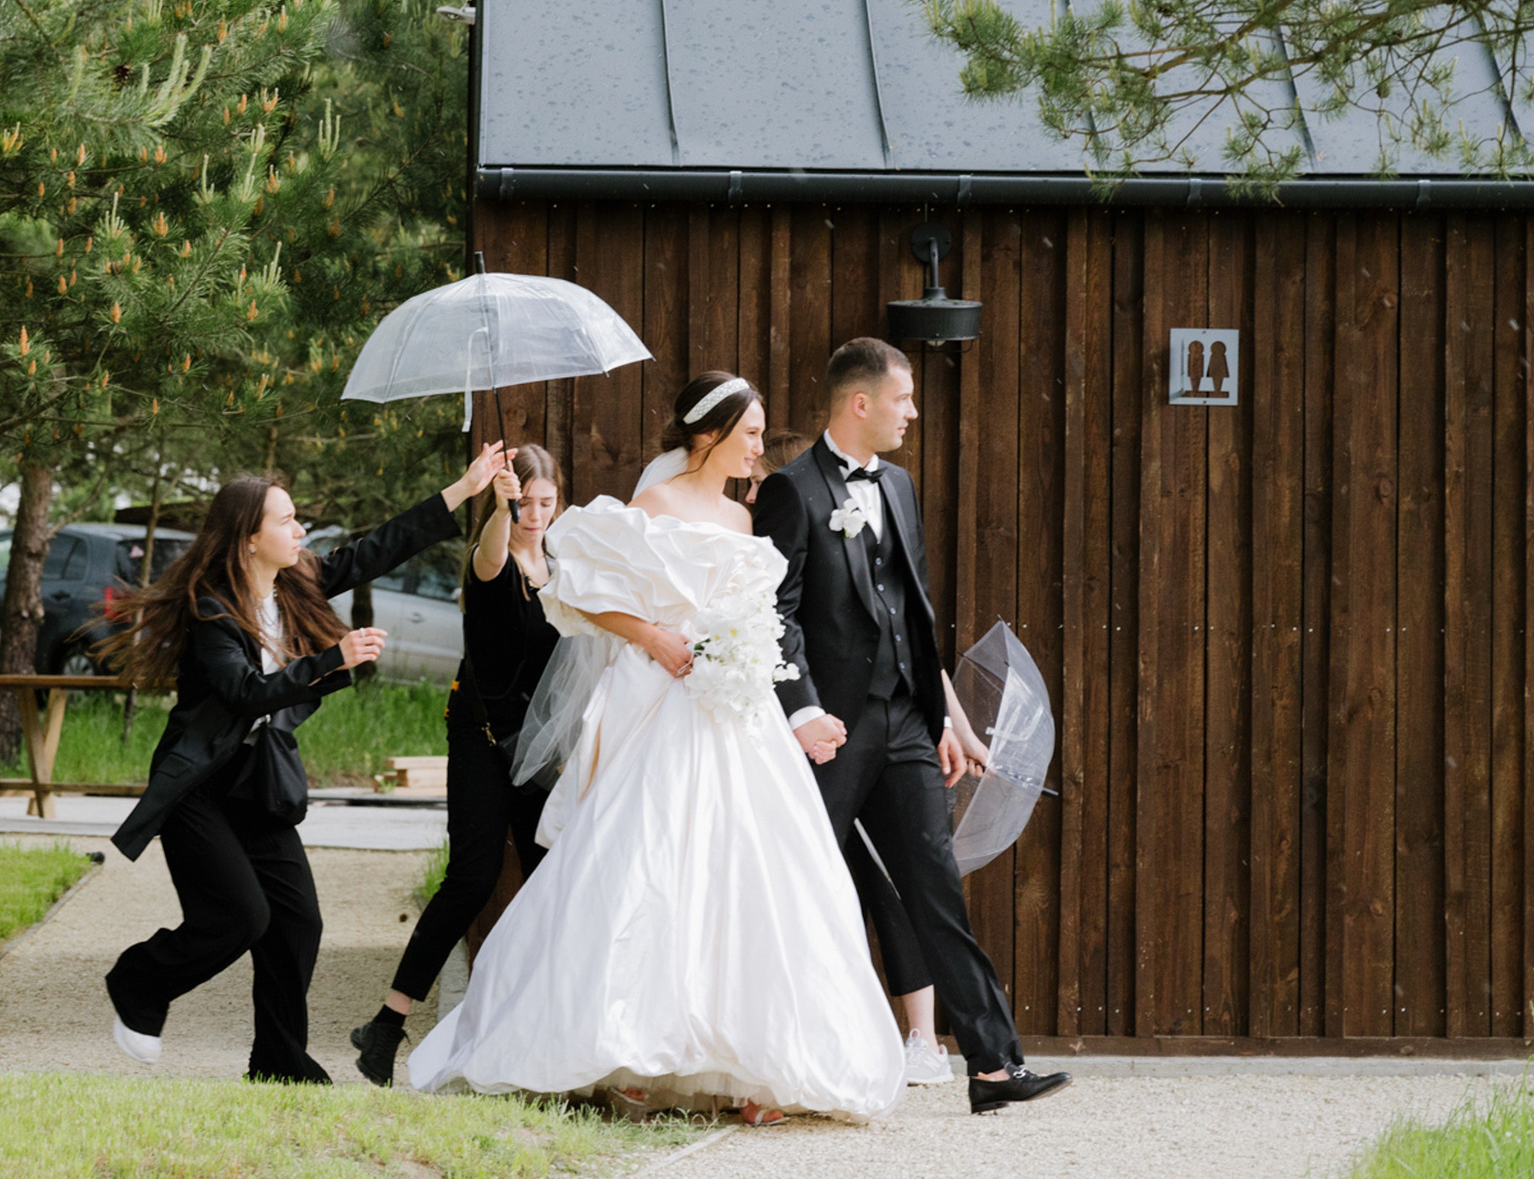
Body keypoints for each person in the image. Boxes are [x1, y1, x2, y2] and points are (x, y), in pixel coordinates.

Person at [408, 373, 905, 1126]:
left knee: (750, 874)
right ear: (707, 434)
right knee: (650, 865)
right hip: (666, 707)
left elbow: (760, 624)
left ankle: (757, 1065)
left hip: (735, 718)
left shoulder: (743, 522)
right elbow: (579, 594)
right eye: (748, 433)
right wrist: (654, 636)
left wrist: (778, 694)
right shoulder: (651, 508)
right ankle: (629, 1050)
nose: (757, 447)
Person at [101, 443, 511, 1082]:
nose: (300, 531)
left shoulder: (291, 582)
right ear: (247, 539)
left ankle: (278, 1062)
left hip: (258, 784)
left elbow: (371, 551)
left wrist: (462, 489)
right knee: (239, 917)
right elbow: (244, 692)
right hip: (201, 790)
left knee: (297, 923)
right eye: (286, 521)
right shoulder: (212, 608)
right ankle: (138, 980)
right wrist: (332, 660)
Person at [754, 337, 1072, 1114]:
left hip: (903, 724)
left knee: (934, 885)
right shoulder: (791, 492)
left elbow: (913, 616)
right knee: (801, 889)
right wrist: (802, 714)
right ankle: (763, 1065)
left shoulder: (897, 485)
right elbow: (774, 617)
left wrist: (949, 722)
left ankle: (993, 1066)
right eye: (903, 399)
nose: (913, 412)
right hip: (830, 729)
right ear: (859, 403)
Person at [351, 443, 564, 1087]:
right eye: (524, 500)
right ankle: (388, 1024)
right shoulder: (488, 556)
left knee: (554, 875)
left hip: (540, 747)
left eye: (546, 501)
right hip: (481, 734)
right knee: (471, 878)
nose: (535, 512)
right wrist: (497, 506)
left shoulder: (564, 565)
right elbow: (496, 550)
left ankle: (543, 1027)